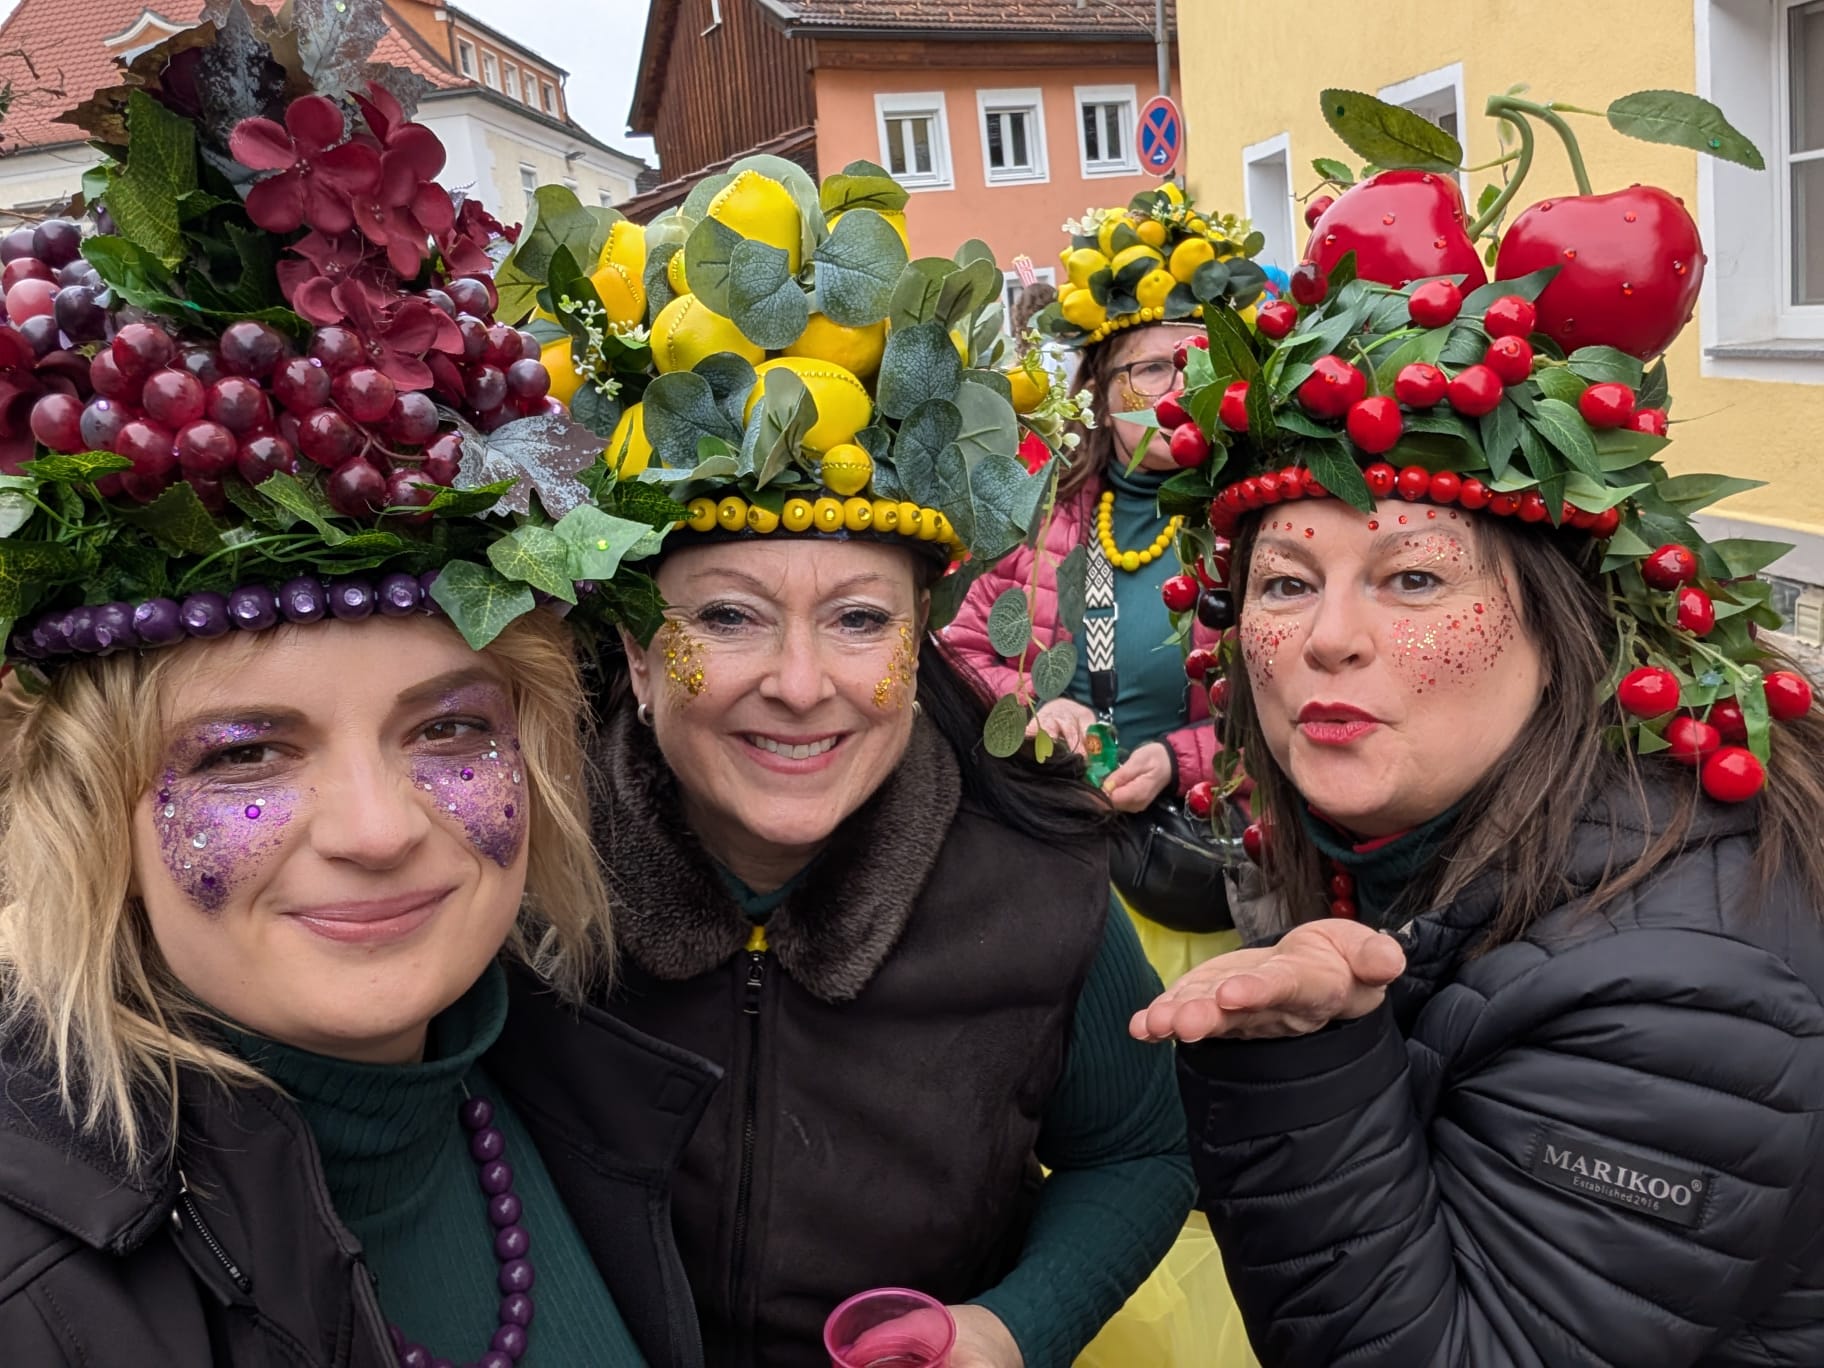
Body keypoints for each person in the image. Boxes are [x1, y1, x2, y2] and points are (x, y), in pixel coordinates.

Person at [0, 39, 715, 1367]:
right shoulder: (36, 1306)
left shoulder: (578, 1089)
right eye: (245, 754)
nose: (379, 830)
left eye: (448, 729)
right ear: (88, 801)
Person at [1131, 167, 1824, 1365]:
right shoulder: (1445, 837)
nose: (1329, 637)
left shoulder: (1678, 983)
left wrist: (1301, 1061)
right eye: (1286, 583)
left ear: (1565, 633)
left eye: (1413, 577)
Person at [549, 156, 1195, 1368]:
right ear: (635, 652)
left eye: (858, 620)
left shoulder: (1037, 877)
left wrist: (1010, 1329)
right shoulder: (522, 880)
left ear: (921, 639)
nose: (802, 685)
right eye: (729, 617)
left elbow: (1139, 1152)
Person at [946, 188, 1270, 981]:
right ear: (1098, 387)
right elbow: (959, 658)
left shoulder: (1255, 526)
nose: (1179, 388)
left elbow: (1293, 705)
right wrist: (1035, 707)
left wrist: (1176, 760)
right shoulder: (1046, 517)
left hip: (1195, 878)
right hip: (1050, 867)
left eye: (1200, 363)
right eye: (1153, 368)